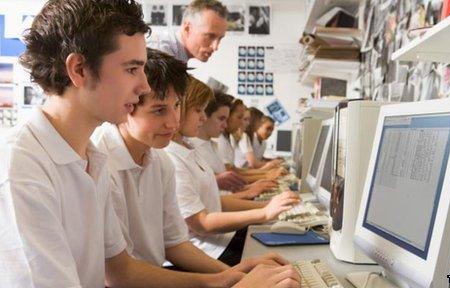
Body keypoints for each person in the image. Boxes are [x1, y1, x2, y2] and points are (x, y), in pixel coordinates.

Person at [0, 1, 299, 287]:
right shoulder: (21, 170)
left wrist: (225, 279)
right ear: (79, 69)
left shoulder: (91, 157)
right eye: (132, 69)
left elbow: (120, 270)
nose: (143, 86)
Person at [94, 47, 293, 275]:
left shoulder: (159, 160)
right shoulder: (101, 166)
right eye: (159, 110)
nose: (172, 122)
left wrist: (233, 276)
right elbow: (120, 276)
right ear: (125, 105)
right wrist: (226, 280)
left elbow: (174, 243)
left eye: (177, 106)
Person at [166, 76, 300, 265]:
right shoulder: (171, 157)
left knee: (287, 253)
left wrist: (268, 207)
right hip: (208, 250)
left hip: (219, 240)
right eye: (199, 110)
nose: (203, 117)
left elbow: (214, 202)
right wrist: (264, 212)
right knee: (285, 262)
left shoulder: (189, 147)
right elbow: (201, 222)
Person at [191, 91, 276, 199]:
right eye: (241, 118)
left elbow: (226, 184)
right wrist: (263, 176)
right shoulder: (200, 146)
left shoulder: (213, 143)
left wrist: (251, 187)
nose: (244, 123)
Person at [148, 0, 228, 63]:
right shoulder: (161, 51)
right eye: (210, 36)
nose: (215, 47)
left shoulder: (177, 56)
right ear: (187, 29)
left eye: (220, 39)